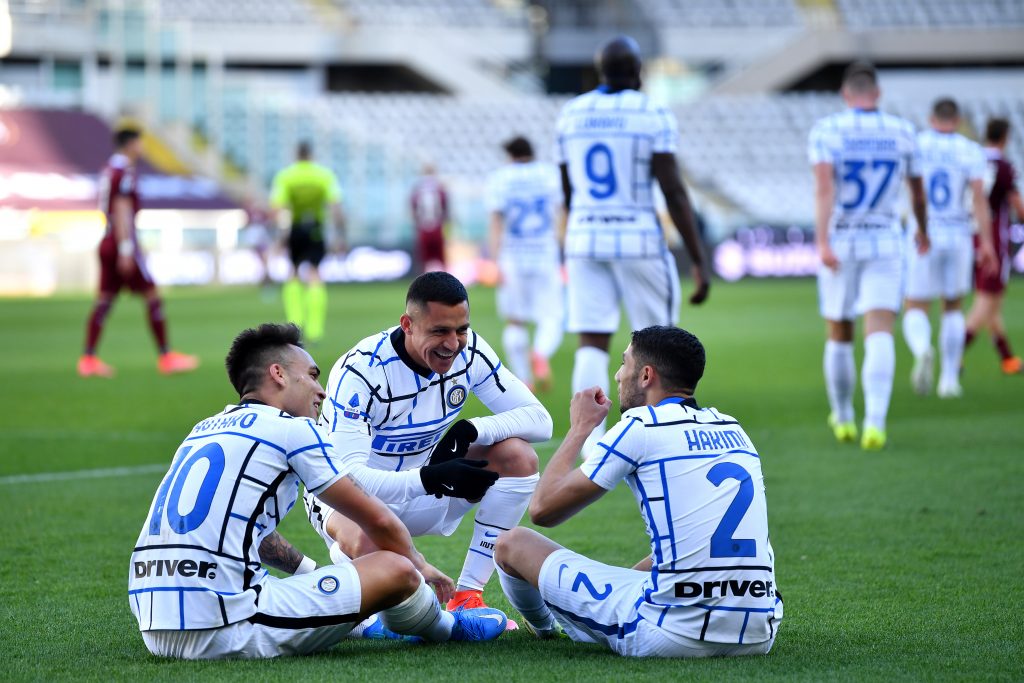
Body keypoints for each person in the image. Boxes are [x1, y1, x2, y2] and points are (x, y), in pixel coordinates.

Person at [128, 322, 508, 660]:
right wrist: (421, 567)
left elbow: (247, 529)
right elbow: (375, 517)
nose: (321, 390)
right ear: (277, 374)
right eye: (311, 375)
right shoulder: (293, 429)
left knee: (325, 582)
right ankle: (447, 626)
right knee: (395, 568)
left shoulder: (203, 429)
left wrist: (309, 571)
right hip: (224, 622)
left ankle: (363, 622)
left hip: (153, 620)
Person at [493, 325, 782, 657]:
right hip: (759, 632)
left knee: (511, 542)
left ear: (646, 375)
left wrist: (580, 428)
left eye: (624, 363)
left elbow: (543, 509)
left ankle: (545, 628)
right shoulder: (733, 428)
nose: (617, 375)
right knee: (645, 575)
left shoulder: (640, 426)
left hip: (671, 633)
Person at [304, 271, 552, 614]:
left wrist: (472, 430)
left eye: (460, 329)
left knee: (517, 456)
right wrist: (430, 479)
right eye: (439, 331)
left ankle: (467, 598)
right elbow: (350, 480)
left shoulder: (471, 352)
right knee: (367, 545)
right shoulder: (362, 371)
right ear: (407, 324)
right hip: (354, 502)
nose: (453, 343)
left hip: (430, 479)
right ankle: (360, 593)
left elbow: (541, 420)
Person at [556, 35, 710, 454]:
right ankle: (658, 431)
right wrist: (698, 258)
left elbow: (569, 190)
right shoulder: (651, 112)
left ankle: (589, 443)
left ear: (599, 70)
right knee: (659, 343)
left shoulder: (571, 114)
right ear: (639, 72)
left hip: (585, 235)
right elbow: (674, 190)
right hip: (638, 237)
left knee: (591, 339)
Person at [807, 61, 928, 450]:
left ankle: (843, 416)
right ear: (877, 94)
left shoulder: (827, 130)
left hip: (842, 239)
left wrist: (822, 241)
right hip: (885, 239)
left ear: (846, 95)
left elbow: (824, 189)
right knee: (879, 330)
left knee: (839, 332)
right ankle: (875, 422)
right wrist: (922, 229)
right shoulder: (903, 131)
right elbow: (918, 193)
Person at [78, 127, 199, 378]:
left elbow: (108, 208)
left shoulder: (109, 170)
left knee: (104, 299)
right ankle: (166, 356)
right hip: (123, 242)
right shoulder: (124, 172)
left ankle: (88, 359)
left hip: (108, 238)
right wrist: (126, 247)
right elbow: (122, 208)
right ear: (130, 144)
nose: (142, 147)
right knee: (152, 295)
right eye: (139, 142)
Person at [902, 98, 995, 398]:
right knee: (953, 306)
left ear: (931, 118)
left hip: (923, 233)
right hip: (958, 232)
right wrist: (988, 244)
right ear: (956, 120)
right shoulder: (970, 150)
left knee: (915, 305)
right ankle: (949, 380)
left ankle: (922, 349)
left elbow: (906, 188)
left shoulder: (916, 144)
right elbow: (979, 200)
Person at [485, 135, 565, 391]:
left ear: (510, 155)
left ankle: (523, 378)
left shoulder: (500, 178)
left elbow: (496, 222)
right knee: (551, 316)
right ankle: (540, 353)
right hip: (544, 253)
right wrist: (561, 249)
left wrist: (496, 260)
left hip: (513, 256)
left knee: (515, 320)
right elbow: (562, 213)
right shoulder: (549, 175)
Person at [269, 141, 346, 344]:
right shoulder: (323, 175)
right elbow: (336, 206)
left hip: (294, 229)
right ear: (311, 155)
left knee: (293, 273)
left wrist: (280, 236)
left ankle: (294, 324)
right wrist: (341, 235)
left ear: (296, 154)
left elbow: (278, 208)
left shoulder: (286, 176)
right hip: (315, 229)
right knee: (315, 275)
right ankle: (315, 330)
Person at [964, 117, 1024, 375]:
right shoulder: (1003, 166)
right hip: (994, 240)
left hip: (971, 235)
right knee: (986, 302)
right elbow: (1017, 205)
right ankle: (953, 356)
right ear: (1006, 136)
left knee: (993, 303)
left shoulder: (973, 160)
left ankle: (1008, 358)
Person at [410, 163, 449, 274]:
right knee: (440, 257)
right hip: (437, 227)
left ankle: (422, 282)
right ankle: (445, 281)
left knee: (424, 258)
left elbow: (413, 209)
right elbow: (445, 208)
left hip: (423, 227)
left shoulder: (417, 189)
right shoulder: (439, 188)